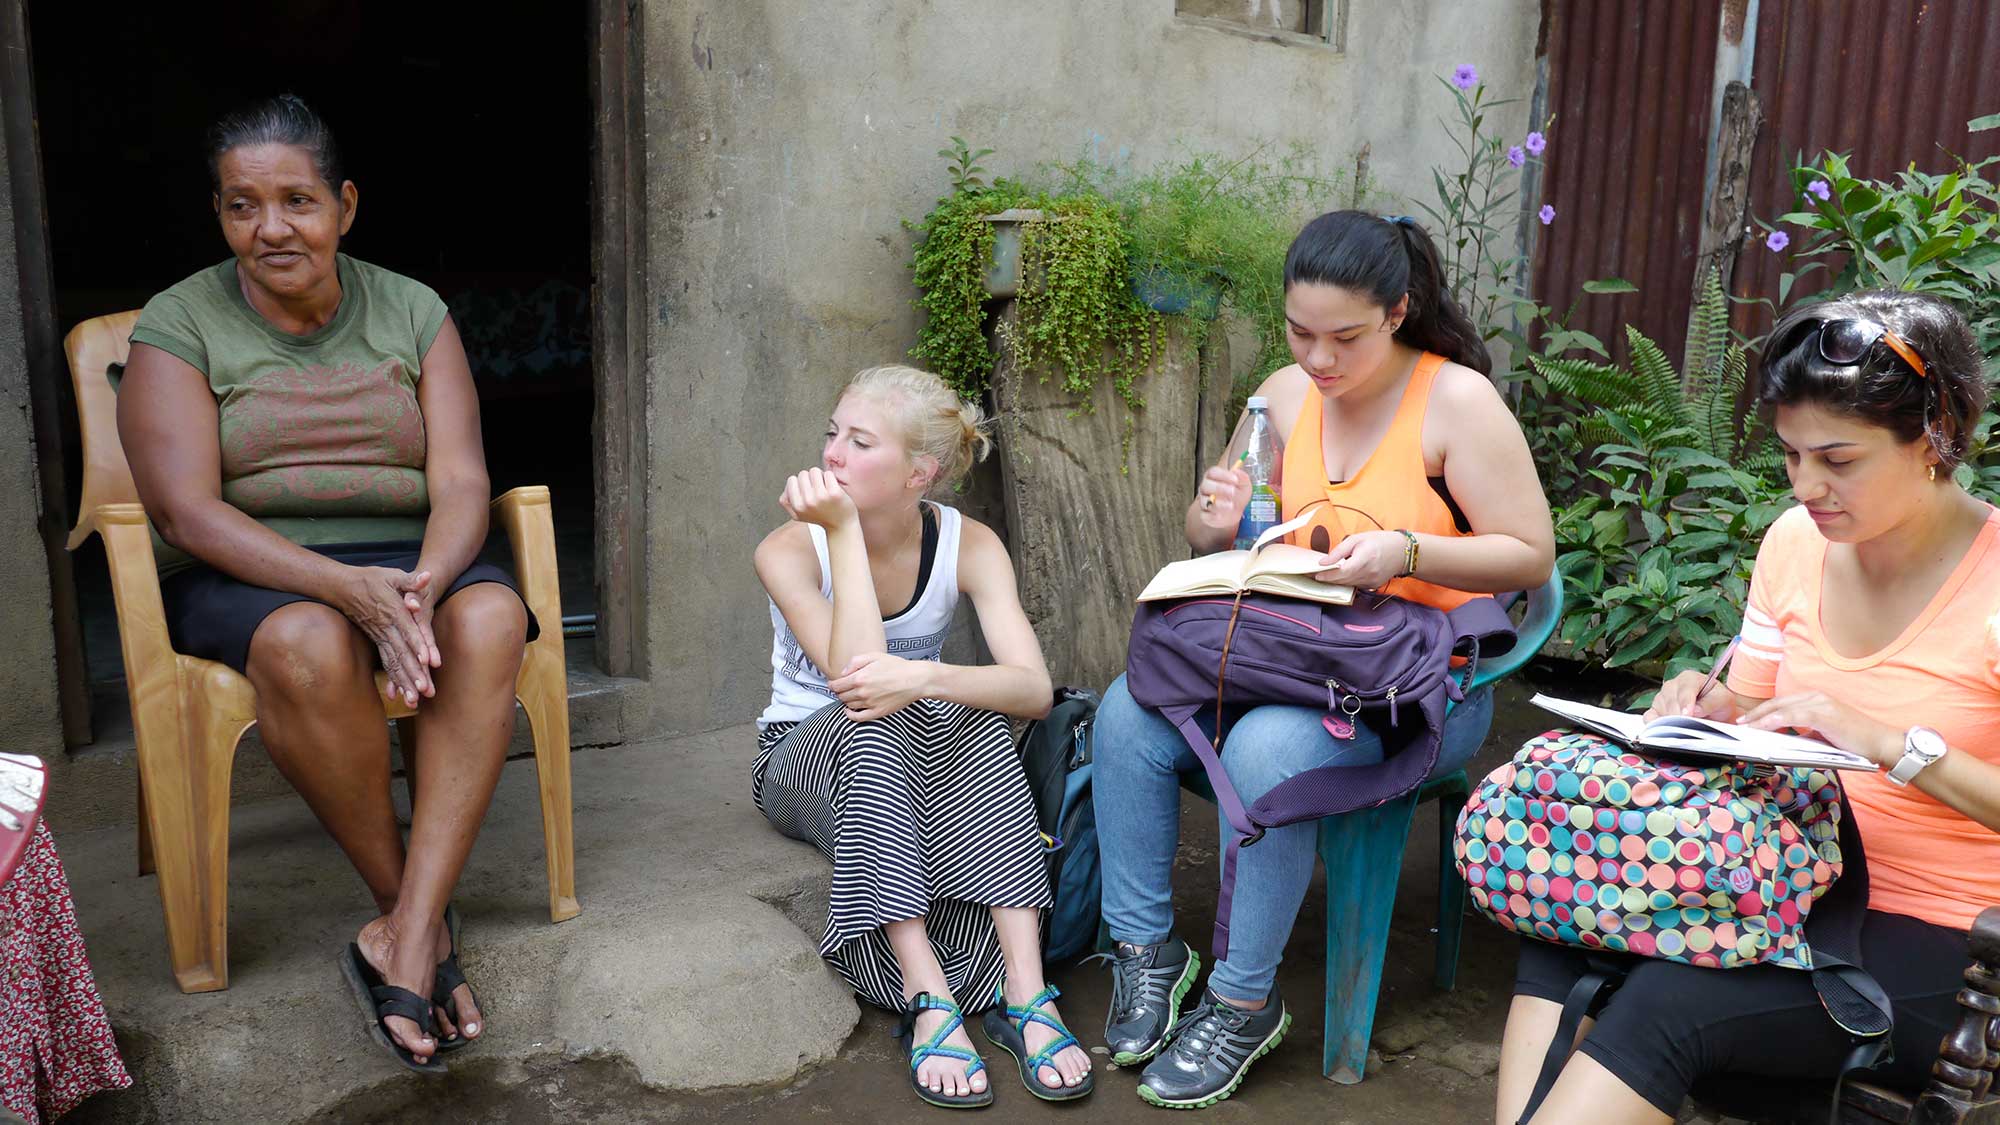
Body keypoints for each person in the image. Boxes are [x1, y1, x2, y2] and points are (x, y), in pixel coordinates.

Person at [1494, 290, 2000, 1124]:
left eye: (1838, 460)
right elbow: (1753, 716)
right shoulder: (1797, 545)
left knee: (1669, 998)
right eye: (1792, 455)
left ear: (1934, 437)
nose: (1806, 485)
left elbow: (1862, 730)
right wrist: (1700, 706)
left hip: (1949, 935)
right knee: (1564, 931)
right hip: (1787, 876)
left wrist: (1886, 742)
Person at [1091, 211, 1556, 1109]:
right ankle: (1146, 951)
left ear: (1397, 311)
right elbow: (1214, 531)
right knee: (1126, 710)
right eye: (1300, 333)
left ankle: (1241, 1001)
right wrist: (1211, 518)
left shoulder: (1453, 402)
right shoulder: (1283, 394)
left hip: (1418, 681)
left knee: (1267, 749)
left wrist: (1407, 553)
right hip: (1291, 655)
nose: (1318, 359)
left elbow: (1529, 553)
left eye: (1344, 337)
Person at [117, 95, 536, 1072]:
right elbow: (185, 513)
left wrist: (423, 582)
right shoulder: (178, 323)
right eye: (241, 206)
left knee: (490, 618)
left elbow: (463, 478)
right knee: (305, 642)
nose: (271, 228)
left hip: (410, 553)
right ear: (220, 215)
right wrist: (343, 591)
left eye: (296, 201)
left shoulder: (411, 310)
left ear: (344, 204)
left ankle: (403, 932)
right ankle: (418, 929)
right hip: (252, 567)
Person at [751, 365, 1094, 1109]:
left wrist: (927, 679)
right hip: (803, 751)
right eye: (832, 433)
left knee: (963, 702)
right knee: (875, 709)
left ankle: (1027, 988)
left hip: (922, 738)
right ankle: (926, 987)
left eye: (860, 441)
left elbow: (1033, 690)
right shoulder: (788, 548)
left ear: (919, 472)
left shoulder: (969, 544)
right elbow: (853, 678)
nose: (833, 454)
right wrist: (839, 530)